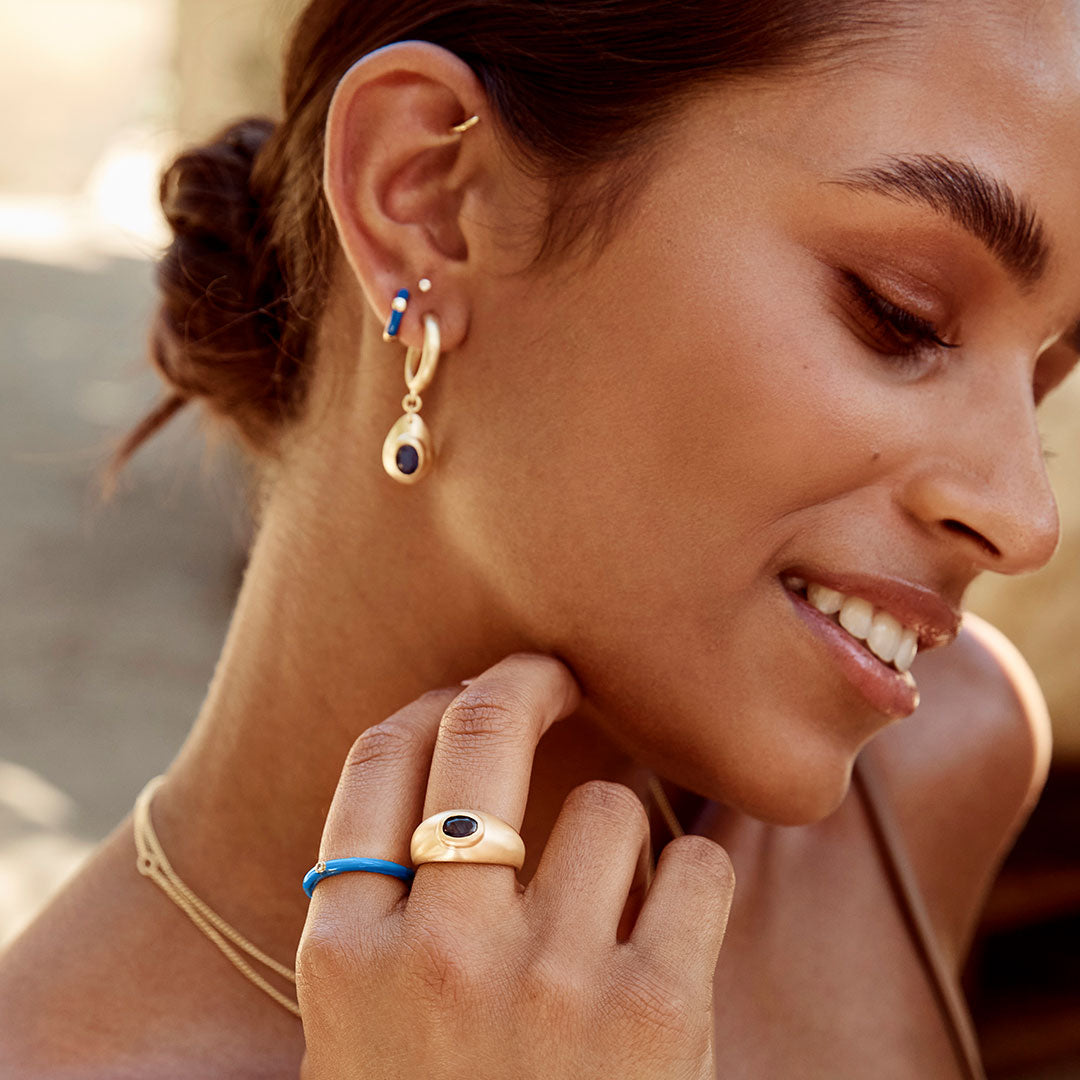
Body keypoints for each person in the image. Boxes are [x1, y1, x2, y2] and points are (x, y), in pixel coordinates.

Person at [2, 0, 1077, 1075]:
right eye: (900, 311)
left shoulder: (940, 764)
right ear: (430, 201)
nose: (1027, 520)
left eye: (1046, 372)